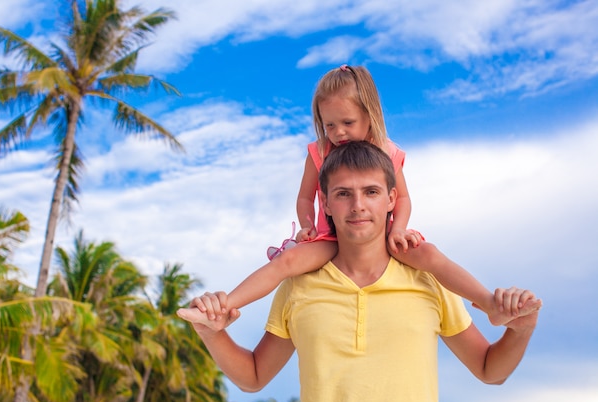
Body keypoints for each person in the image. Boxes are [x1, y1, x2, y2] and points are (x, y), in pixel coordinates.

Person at [178, 141, 542, 402]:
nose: (357, 206)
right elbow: (253, 377)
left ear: (391, 199)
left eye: (370, 192)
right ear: (326, 202)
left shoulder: (429, 280)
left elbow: (489, 370)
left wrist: (520, 330)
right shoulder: (299, 285)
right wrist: (213, 332)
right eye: (343, 194)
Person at [184, 65, 535, 326]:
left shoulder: (386, 151)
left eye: (347, 123)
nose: (338, 133)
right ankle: (224, 305)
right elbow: (306, 198)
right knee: (287, 263)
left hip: (380, 236)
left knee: (429, 255)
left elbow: (404, 198)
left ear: (370, 115)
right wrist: (307, 226)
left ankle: (489, 303)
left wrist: (399, 229)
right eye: (329, 125)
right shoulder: (319, 152)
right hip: (332, 236)